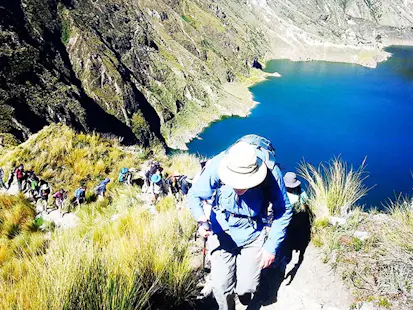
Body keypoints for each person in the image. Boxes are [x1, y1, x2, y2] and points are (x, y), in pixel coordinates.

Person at [187, 136, 292, 310]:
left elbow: (284, 210)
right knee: (221, 287)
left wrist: (271, 247)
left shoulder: (271, 173)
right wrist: (201, 219)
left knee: (247, 286)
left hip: (252, 233)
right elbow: (195, 194)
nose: (239, 187)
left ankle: (243, 291)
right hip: (220, 230)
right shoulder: (218, 165)